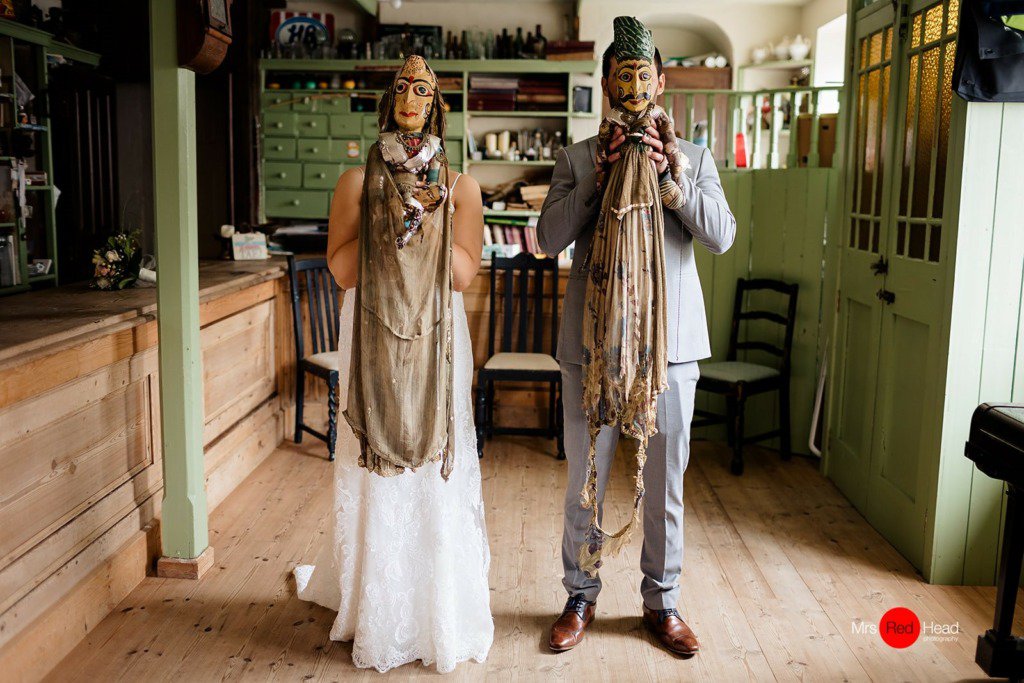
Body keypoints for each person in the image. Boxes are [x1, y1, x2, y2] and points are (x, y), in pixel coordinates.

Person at [537, 18, 736, 657]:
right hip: (591, 350)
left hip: (670, 352)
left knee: (668, 484)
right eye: (623, 73)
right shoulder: (575, 159)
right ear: (605, 84)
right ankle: (579, 595)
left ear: (660, 79)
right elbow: (546, 239)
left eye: (644, 72)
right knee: (584, 479)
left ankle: (663, 602)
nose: (635, 83)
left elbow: (721, 235)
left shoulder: (695, 157)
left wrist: (672, 178)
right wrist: (598, 175)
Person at [293, 56, 492, 674]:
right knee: (372, 458)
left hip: (437, 337)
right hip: (371, 334)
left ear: (436, 103)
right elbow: (343, 269)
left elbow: (463, 276)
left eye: (422, 88)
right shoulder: (356, 181)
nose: (411, 95)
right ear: (389, 99)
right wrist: (389, 223)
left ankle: (437, 607)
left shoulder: (460, 187)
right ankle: (374, 606)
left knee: (437, 462)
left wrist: (432, 219)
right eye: (401, 87)